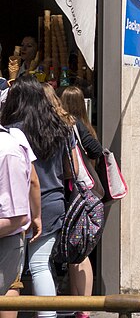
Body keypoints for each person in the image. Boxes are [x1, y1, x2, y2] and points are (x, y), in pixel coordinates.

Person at [0, 77, 73, 318]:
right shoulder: (59, 126)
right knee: (41, 264)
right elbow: (68, 168)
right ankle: (48, 315)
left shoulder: (13, 130)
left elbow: (32, 179)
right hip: (52, 201)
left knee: (13, 275)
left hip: (17, 206)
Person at [53, 86, 103, 316]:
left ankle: (83, 307)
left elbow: (96, 151)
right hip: (83, 193)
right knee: (77, 250)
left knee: (79, 250)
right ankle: (78, 306)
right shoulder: (84, 125)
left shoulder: (75, 126)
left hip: (81, 193)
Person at [0, 119, 41, 316]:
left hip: (7, 235)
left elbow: (16, 217)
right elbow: (33, 180)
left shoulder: (9, 146)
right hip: (12, 231)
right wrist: (37, 215)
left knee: (9, 288)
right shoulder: (16, 139)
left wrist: (36, 216)